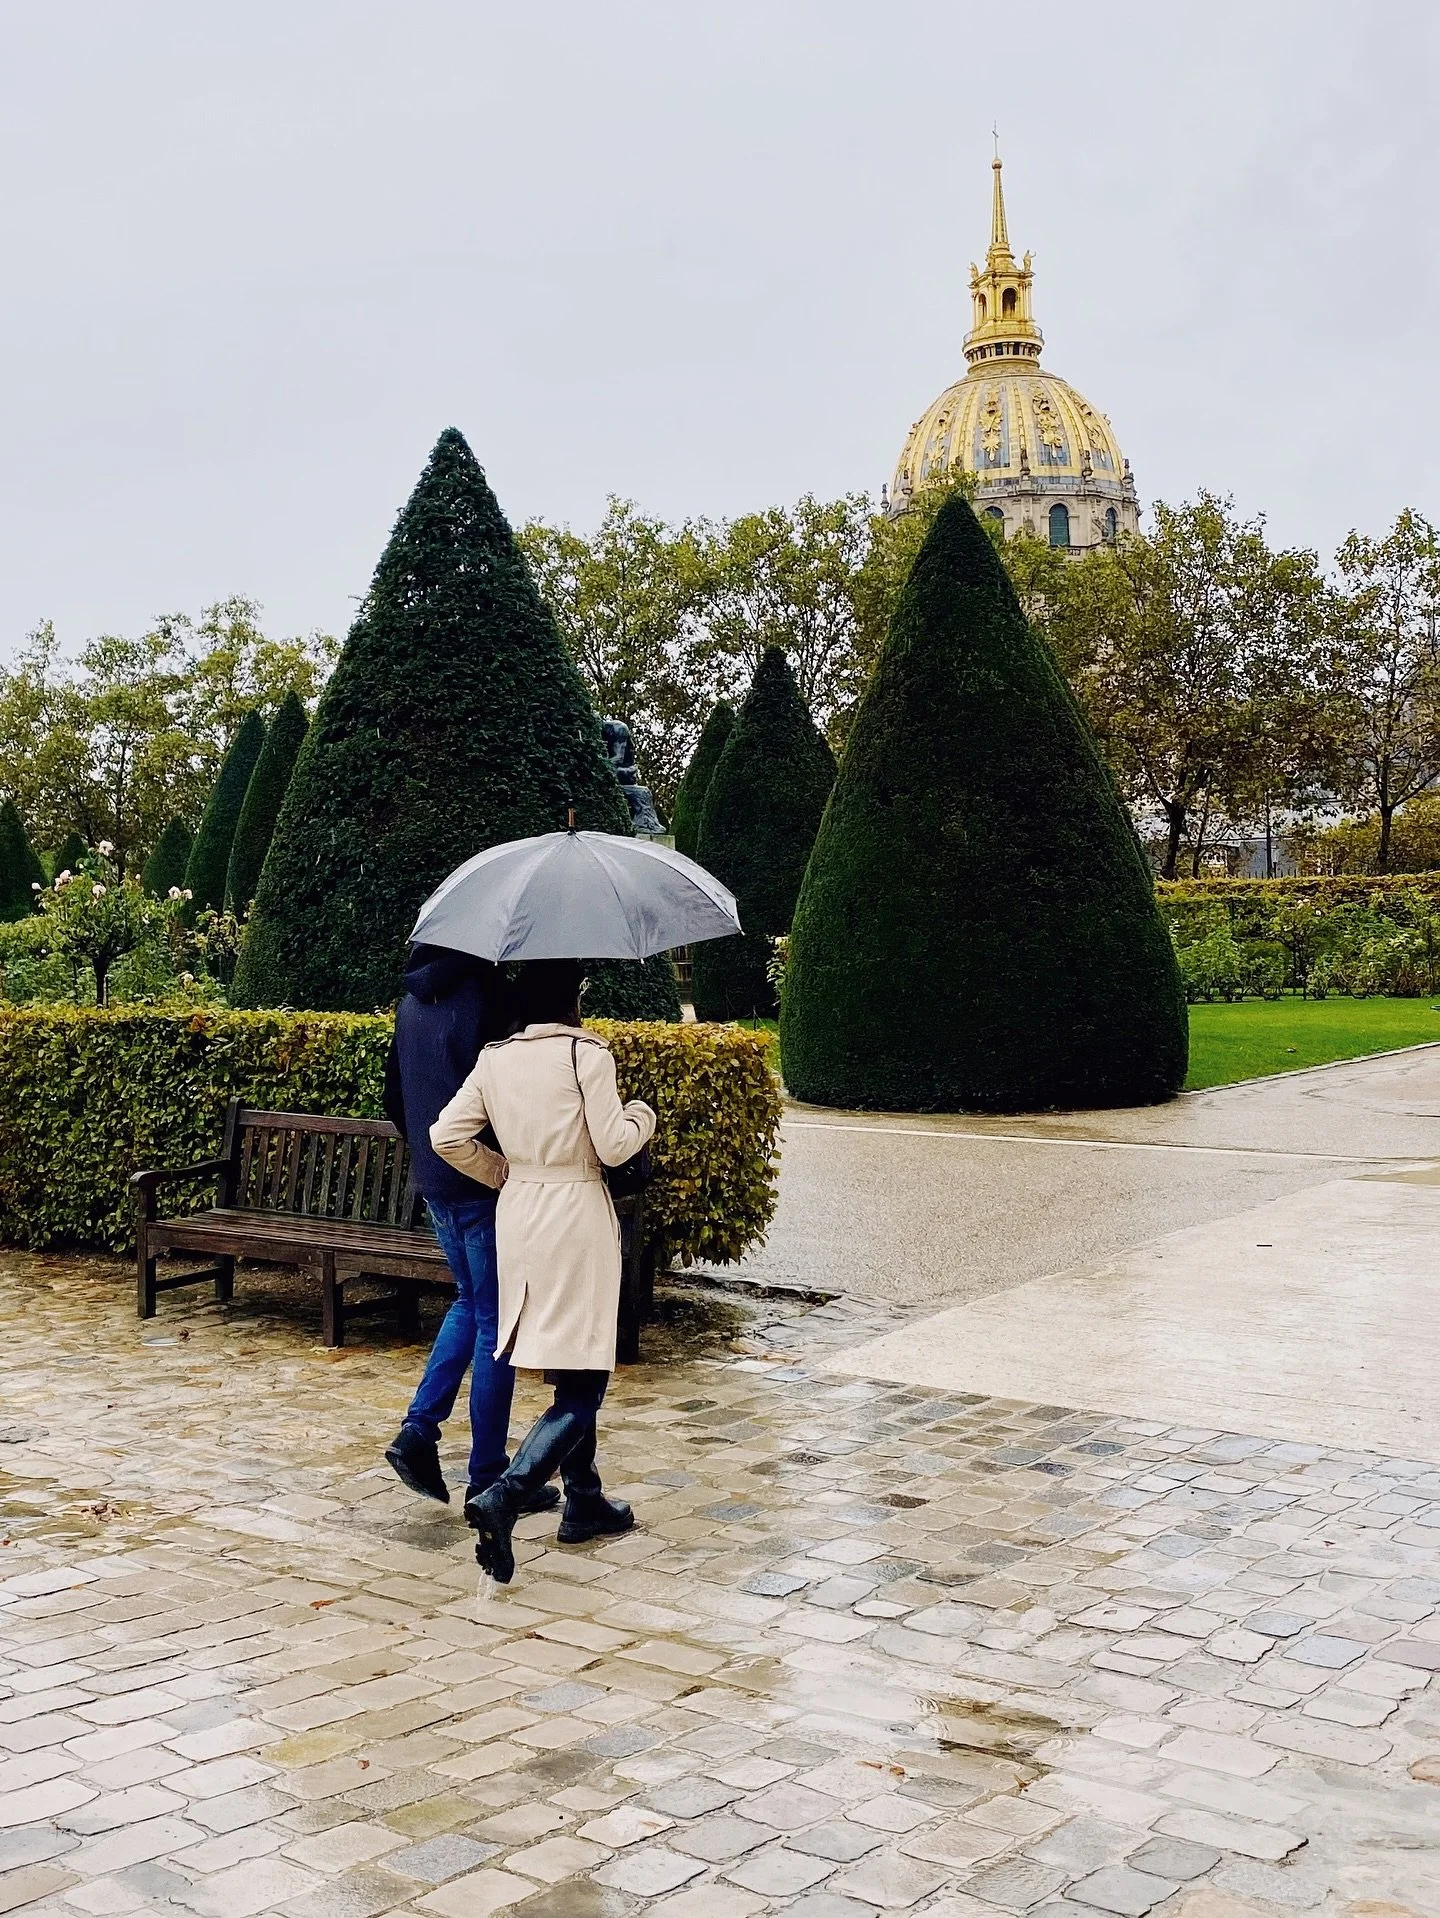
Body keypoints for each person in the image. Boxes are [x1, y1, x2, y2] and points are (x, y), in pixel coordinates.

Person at [430, 958, 657, 1584]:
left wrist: (503, 1173)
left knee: (567, 1365)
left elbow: (445, 1134)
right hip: (575, 1214)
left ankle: (583, 1499)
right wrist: (644, 1115)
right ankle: (508, 1492)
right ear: (573, 998)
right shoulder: (588, 1055)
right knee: (586, 1379)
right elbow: (614, 1146)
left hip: (520, 1213)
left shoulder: (497, 1058)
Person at [381, 943, 558, 1521]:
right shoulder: (488, 998)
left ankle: (418, 1430)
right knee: (496, 1326)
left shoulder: (410, 1002)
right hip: (482, 1180)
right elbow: (511, 1092)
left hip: (434, 1180)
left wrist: (427, 1157)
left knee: (472, 1304)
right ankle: (487, 1477)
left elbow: (393, 1097)